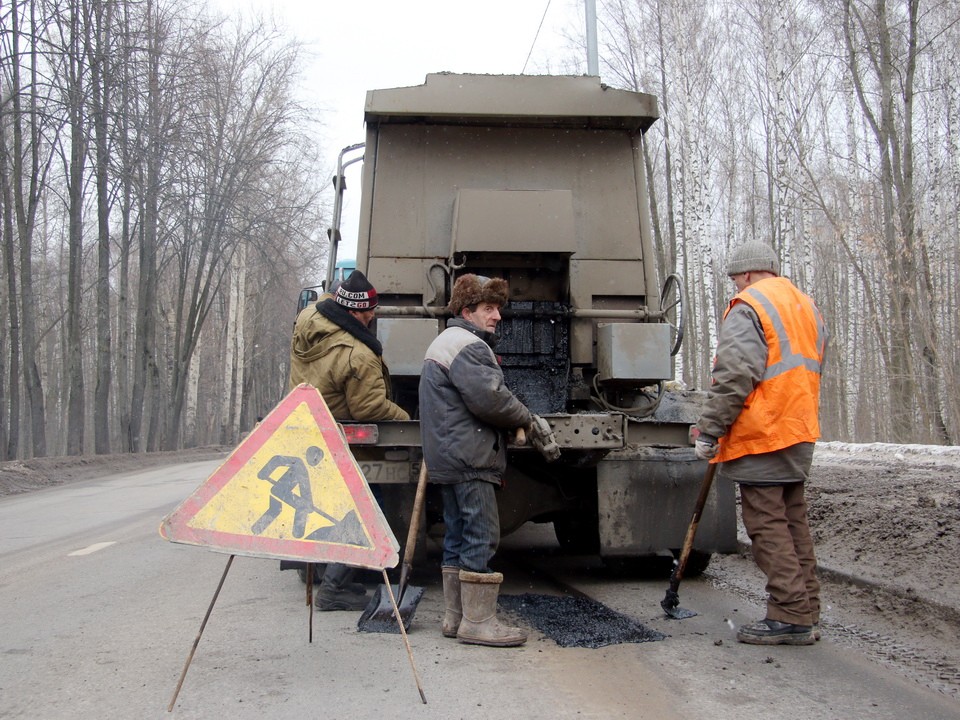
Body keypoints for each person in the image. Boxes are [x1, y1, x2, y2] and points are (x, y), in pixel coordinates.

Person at [695, 241, 827, 646]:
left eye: (735, 277)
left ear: (749, 274)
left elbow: (735, 374)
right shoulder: (806, 306)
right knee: (792, 522)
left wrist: (711, 429)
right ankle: (806, 607)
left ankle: (789, 616)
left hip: (763, 432)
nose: (734, 285)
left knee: (767, 525)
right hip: (798, 428)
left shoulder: (749, 305)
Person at [419, 273, 536, 648]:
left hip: (450, 456)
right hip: (469, 457)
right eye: (489, 308)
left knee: (457, 535)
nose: (497, 316)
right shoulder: (467, 346)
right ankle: (479, 622)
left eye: (498, 308)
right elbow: (491, 399)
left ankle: (456, 618)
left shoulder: (446, 341)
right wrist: (525, 417)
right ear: (467, 311)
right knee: (481, 535)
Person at [289, 270, 410, 611]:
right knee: (366, 510)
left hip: (309, 427)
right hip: (343, 440)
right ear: (356, 313)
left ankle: (331, 576)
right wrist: (409, 421)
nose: (373, 316)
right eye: (370, 311)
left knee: (327, 507)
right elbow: (368, 406)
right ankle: (332, 589)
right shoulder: (358, 354)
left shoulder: (308, 318)